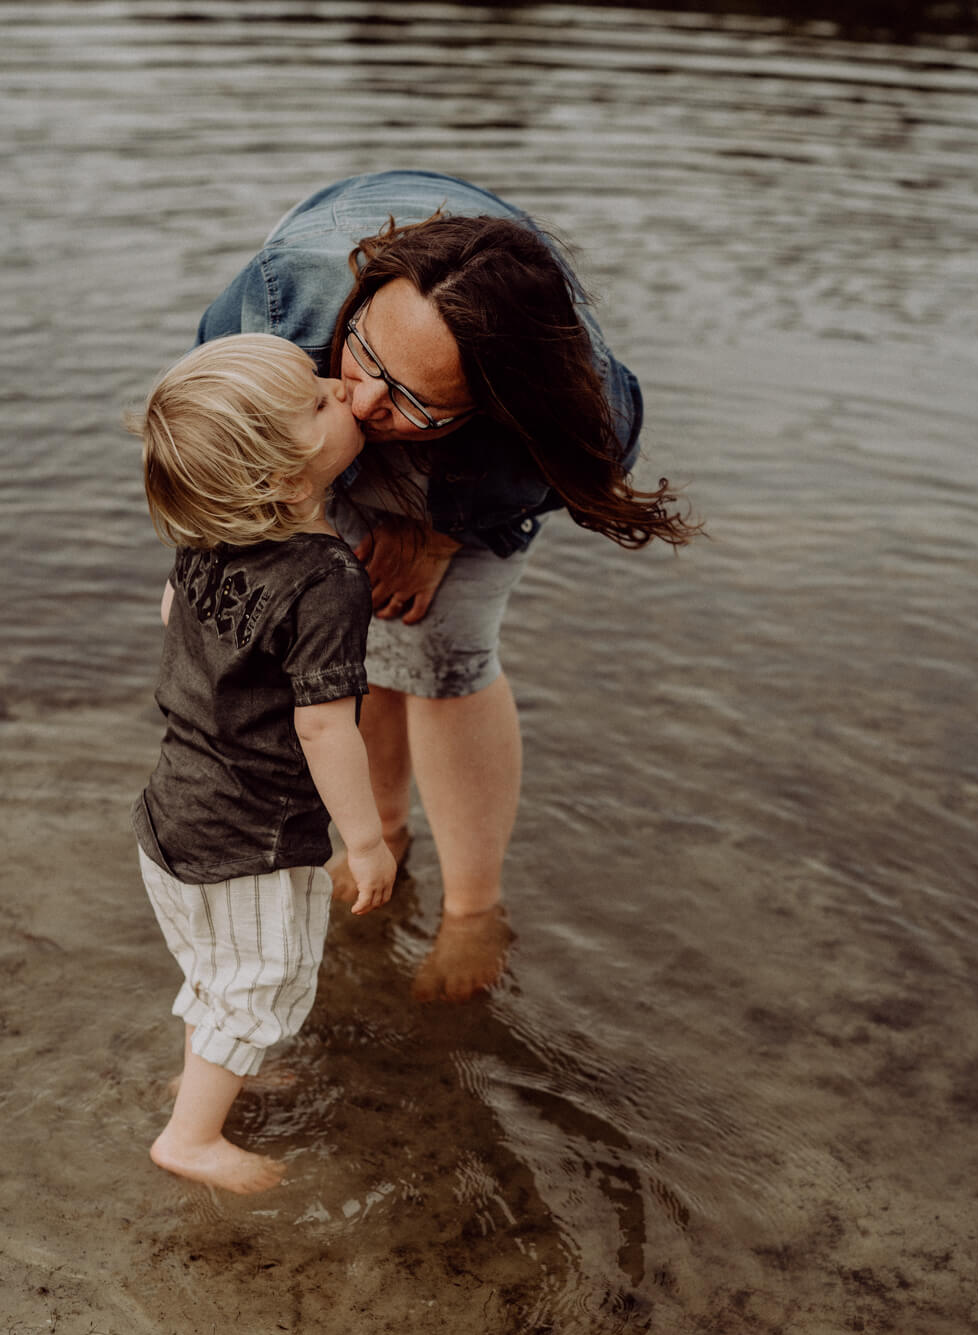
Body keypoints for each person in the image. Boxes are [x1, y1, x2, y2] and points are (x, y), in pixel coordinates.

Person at [195, 170, 700, 1001]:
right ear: (364, 291)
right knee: (345, 633)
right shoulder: (283, 297)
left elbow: (574, 476)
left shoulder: (580, 406)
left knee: (443, 651)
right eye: (364, 358)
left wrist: (442, 533)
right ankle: (379, 836)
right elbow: (209, 430)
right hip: (298, 422)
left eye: (406, 402)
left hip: (475, 473)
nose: (362, 406)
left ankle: (473, 909)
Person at [126, 333, 397, 1194]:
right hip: (249, 837)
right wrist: (367, 841)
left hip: (171, 814)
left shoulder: (204, 531)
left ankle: (200, 1080)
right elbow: (326, 730)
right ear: (283, 482)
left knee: (218, 973)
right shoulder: (325, 580)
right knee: (258, 984)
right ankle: (191, 1139)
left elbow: (175, 612)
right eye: (319, 402)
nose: (341, 387)